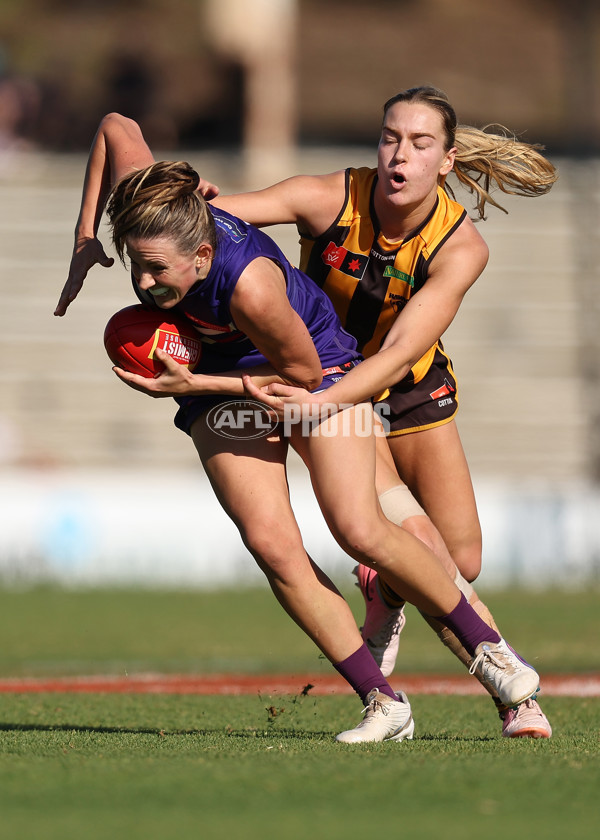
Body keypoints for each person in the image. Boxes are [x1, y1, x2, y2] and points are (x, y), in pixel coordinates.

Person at [55, 112, 543, 744]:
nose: (143, 285)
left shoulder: (250, 288)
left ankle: (491, 652)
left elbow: (302, 374)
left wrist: (196, 385)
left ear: (203, 255)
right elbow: (115, 127)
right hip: (225, 372)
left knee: (360, 528)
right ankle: (383, 704)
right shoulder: (155, 205)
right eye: (135, 268)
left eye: (157, 270)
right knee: (271, 544)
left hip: (314, 369)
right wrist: (85, 235)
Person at [209, 86, 557, 739]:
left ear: (447, 160)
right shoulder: (330, 197)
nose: (400, 154)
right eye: (391, 138)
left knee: (463, 558)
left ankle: (383, 589)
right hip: (337, 383)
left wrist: (320, 402)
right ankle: (515, 698)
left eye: (420, 144)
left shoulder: (460, 247)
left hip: (407, 386)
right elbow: (228, 215)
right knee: (419, 546)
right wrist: (189, 202)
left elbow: (399, 354)